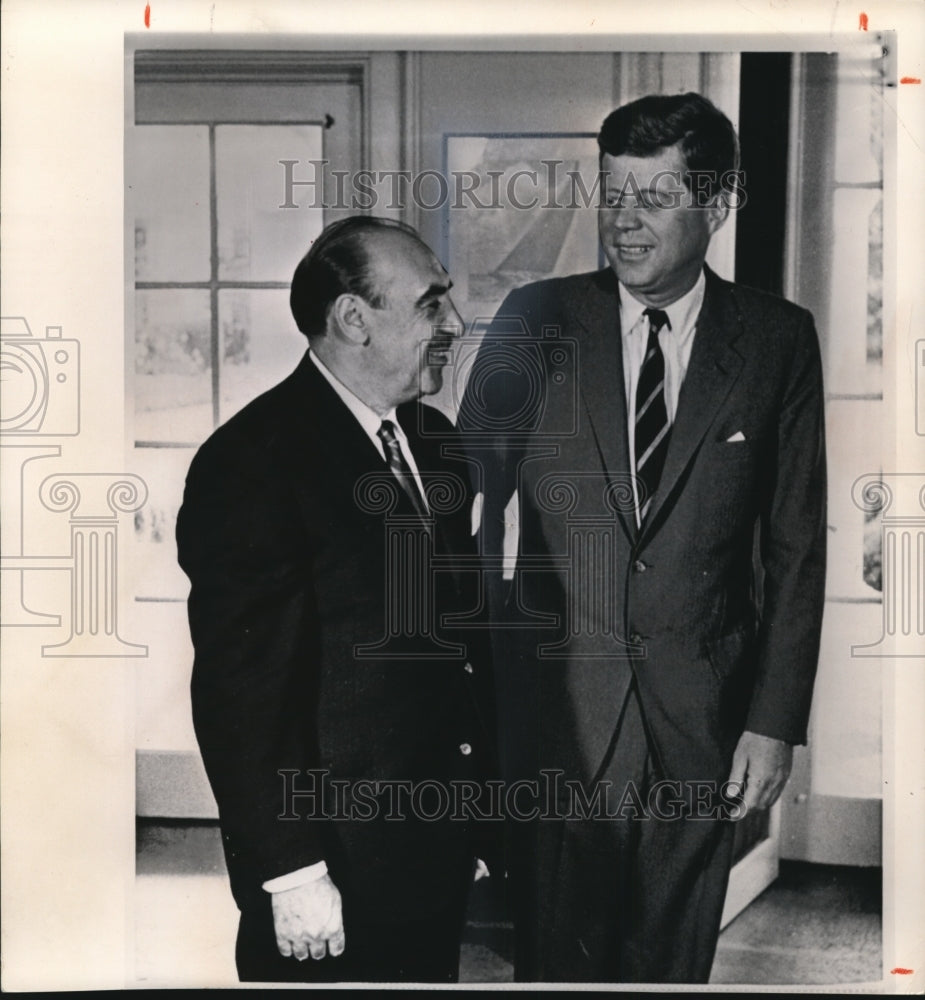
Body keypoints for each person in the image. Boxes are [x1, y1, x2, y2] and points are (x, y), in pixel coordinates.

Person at [457, 92, 827, 983]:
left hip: (700, 721)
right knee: (555, 961)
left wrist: (771, 725)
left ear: (715, 203)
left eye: (654, 198)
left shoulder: (777, 341)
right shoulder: (535, 319)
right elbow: (457, 507)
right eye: (611, 193)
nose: (623, 221)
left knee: (668, 966)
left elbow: (795, 546)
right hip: (555, 717)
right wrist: (478, 687)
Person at [176, 216, 497, 983]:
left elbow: (456, 648)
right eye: (430, 303)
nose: (453, 323)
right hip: (330, 873)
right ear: (354, 318)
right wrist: (290, 872)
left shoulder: (433, 440)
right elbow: (240, 695)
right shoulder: (251, 464)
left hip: (430, 852)